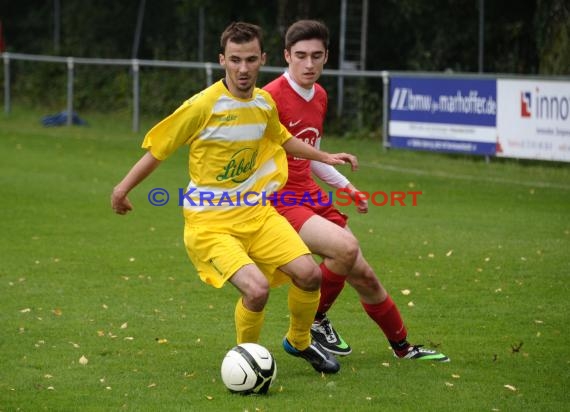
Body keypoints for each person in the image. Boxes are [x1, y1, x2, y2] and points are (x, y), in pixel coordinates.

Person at [111, 22, 360, 374]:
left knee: (309, 274)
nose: (243, 69)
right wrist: (122, 189)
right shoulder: (202, 106)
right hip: (211, 223)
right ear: (222, 60)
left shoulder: (263, 104)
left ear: (263, 60)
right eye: (235, 60)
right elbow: (158, 150)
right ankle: (248, 360)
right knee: (256, 290)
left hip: (257, 215)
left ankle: (300, 341)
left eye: (250, 60)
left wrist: (326, 156)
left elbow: (283, 139)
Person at [263, 19, 449, 362]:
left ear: (326, 57)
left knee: (364, 274)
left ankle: (404, 349)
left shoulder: (319, 96)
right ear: (286, 56)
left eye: (316, 56)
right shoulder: (269, 98)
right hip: (280, 199)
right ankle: (312, 323)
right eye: (300, 55)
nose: (308, 64)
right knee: (346, 249)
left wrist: (348, 187)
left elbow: (313, 154)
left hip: (309, 193)